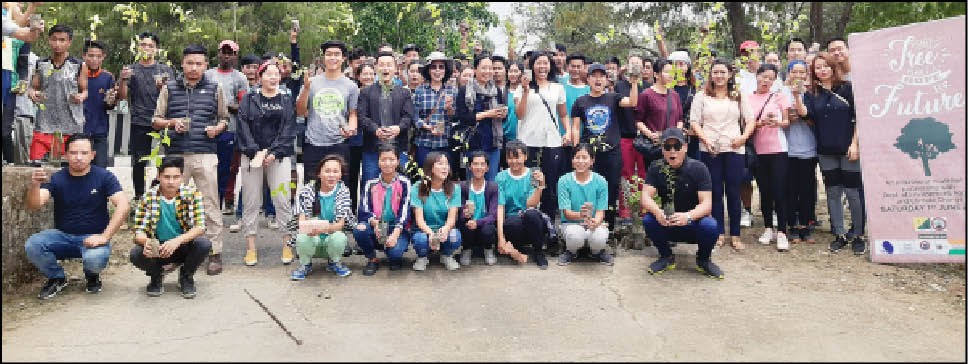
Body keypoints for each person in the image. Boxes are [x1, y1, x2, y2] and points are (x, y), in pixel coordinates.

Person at [152, 44, 230, 275]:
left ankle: (215, 252)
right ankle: (176, 252)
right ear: (182, 64)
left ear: (206, 65)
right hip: (175, 155)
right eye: (189, 63)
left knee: (209, 204)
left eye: (199, 63)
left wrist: (217, 129)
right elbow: (156, 119)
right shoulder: (170, 88)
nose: (194, 68)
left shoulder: (215, 88)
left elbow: (225, 118)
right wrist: (171, 123)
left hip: (205, 153)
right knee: (174, 205)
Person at [25, 134, 129, 299]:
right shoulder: (57, 178)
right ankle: (57, 278)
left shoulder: (104, 176)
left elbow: (123, 206)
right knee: (33, 245)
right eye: (73, 153)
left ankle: (92, 275)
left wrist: (104, 236)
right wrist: (35, 185)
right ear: (65, 155)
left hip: (93, 238)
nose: (78, 157)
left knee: (95, 259)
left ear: (92, 155)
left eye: (84, 153)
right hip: (63, 237)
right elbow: (35, 204)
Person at [792, 52, 865, 255]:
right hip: (825, 151)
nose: (822, 70)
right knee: (833, 192)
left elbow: (859, 117)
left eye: (825, 66)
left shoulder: (848, 88)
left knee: (852, 192)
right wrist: (797, 96)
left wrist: (855, 144)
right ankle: (839, 234)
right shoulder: (812, 93)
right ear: (813, 72)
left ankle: (858, 234)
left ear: (833, 67)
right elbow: (805, 113)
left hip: (848, 149)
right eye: (818, 68)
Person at [235, 60, 297, 266]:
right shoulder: (249, 99)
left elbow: (289, 128)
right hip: (252, 157)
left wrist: (273, 152)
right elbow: (242, 126)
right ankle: (251, 248)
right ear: (260, 76)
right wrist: (255, 152)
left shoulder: (286, 99)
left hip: (278, 157)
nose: (273, 77)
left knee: (282, 199)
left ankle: (288, 244)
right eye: (268, 73)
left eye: (276, 74)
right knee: (251, 201)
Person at [689, 59, 754, 251]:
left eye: (722, 72)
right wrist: (705, 140)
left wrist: (743, 138)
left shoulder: (738, 95)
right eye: (715, 72)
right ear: (710, 75)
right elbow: (694, 122)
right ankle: (718, 233)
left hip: (734, 149)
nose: (719, 76)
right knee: (715, 191)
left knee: (733, 191)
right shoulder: (702, 96)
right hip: (710, 150)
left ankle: (735, 234)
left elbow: (750, 120)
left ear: (729, 75)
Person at [642, 129, 722, 279]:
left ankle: (703, 260)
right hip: (668, 222)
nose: (672, 151)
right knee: (648, 220)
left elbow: (707, 204)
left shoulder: (699, 168)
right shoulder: (656, 167)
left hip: (693, 223)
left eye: (677, 146)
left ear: (685, 147)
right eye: (667, 147)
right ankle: (666, 256)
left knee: (710, 226)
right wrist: (658, 212)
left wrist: (688, 216)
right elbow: (645, 196)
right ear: (662, 149)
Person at [129, 157, 211, 298]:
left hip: (182, 244)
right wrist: (146, 242)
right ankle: (156, 275)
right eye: (167, 177)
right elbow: (139, 232)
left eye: (176, 177)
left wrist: (177, 241)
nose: (171, 182)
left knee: (203, 244)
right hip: (158, 248)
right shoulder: (148, 197)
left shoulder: (192, 194)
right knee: (136, 254)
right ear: (159, 176)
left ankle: (186, 276)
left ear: (181, 177)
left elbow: (200, 227)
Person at [571, 63, 639, 229]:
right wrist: (576, 149)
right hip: (590, 153)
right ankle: (586, 223)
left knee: (611, 188)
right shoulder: (580, 102)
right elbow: (575, 127)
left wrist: (635, 81)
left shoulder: (613, 98)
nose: (598, 79)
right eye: (594, 76)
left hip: (612, 151)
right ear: (588, 79)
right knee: (588, 187)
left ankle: (607, 226)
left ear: (607, 80)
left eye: (601, 76)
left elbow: (632, 102)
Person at [515, 51, 570, 221]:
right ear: (531, 66)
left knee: (550, 184)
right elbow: (520, 114)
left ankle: (549, 225)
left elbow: (562, 114)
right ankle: (531, 222)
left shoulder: (558, 87)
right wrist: (525, 90)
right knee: (532, 184)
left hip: (551, 142)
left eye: (545, 63)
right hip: (528, 142)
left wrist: (567, 131)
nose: (542, 66)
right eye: (538, 63)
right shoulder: (521, 88)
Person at [118, 32, 174, 199]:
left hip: (162, 120)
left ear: (156, 49)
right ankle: (139, 196)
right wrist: (122, 79)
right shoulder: (131, 69)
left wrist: (163, 87)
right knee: (139, 161)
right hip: (139, 120)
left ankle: (160, 190)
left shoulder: (165, 70)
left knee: (165, 158)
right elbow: (122, 95)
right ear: (138, 47)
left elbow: (174, 94)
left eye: (150, 45)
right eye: (143, 45)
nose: (147, 48)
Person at [295, 40, 359, 184]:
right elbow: (300, 111)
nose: (333, 58)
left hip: (339, 144)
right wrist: (305, 89)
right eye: (329, 54)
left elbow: (353, 113)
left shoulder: (351, 86)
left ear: (343, 58)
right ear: (323, 58)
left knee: (339, 189)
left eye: (337, 54)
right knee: (312, 189)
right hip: (313, 143)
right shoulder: (311, 82)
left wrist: (351, 128)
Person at [747, 63, 792, 251]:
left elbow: (787, 122)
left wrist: (777, 123)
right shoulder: (747, 98)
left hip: (778, 150)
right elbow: (746, 124)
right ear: (757, 76)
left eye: (771, 78)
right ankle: (768, 228)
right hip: (758, 150)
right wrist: (759, 124)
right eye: (763, 76)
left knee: (779, 190)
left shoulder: (779, 97)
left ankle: (782, 231)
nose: (766, 81)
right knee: (764, 191)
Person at [28, 24, 88, 161]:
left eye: (62, 40)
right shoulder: (41, 63)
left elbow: (85, 90)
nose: (57, 44)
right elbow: (34, 87)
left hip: (70, 125)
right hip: (44, 124)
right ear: (49, 40)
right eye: (54, 39)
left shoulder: (78, 65)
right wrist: (32, 93)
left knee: (69, 170)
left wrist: (80, 97)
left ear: (69, 42)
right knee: (36, 164)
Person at [291, 154, 355, 280]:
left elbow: (340, 224)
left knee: (339, 237)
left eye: (335, 171)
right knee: (301, 237)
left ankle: (334, 262)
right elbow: (301, 222)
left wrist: (322, 229)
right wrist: (311, 229)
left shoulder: (343, 191)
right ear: (319, 173)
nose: (331, 175)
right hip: (311, 238)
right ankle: (305, 265)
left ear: (340, 174)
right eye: (327, 171)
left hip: (330, 239)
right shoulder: (307, 191)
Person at [354, 144, 414, 275]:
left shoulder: (405, 183)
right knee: (359, 230)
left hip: (396, 227)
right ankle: (372, 258)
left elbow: (405, 210)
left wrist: (396, 233)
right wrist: (374, 222)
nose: (387, 163)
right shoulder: (371, 183)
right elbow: (364, 208)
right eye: (383, 159)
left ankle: (394, 257)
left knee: (395, 253)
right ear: (378, 162)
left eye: (391, 159)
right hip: (376, 225)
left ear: (398, 161)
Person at [205, 40, 248, 216]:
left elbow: (244, 105)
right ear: (218, 53)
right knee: (207, 169)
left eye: (230, 53)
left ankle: (225, 200)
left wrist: (226, 106)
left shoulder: (239, 78)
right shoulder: (207, 75)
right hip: (207, 127)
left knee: (227, 168)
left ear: (235, 56)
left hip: (230, 129)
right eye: (224, 52)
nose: (226, 55)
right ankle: (210, 205)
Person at [357, 50, 413, 185]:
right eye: (381, 65)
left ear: (395, 68)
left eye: (389, 65)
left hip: (398, 148)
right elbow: (362, 117)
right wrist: (375, 129)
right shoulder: (366, 92)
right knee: (370, 185)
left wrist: (398, 128)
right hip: (372, 149)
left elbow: (409, 117)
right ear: (376, 68)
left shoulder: (404, 93)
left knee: (400, 186)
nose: (385, 68)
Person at [556, 143, 614, 265]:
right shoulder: (564, 181)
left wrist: (595, 222)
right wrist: (581, 215)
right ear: (572, 160)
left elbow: (600, 211)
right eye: (577, 157)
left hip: (593, 223)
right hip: (571, 223)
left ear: (592, 161)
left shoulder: (601, 181)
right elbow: (566, 213)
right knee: (575, 235)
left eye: (584, 157)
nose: (580, 161)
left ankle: (596, 252)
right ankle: (571, 252)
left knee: (599, 237)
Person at [495, 140, 550, 268]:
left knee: (532, 214)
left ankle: (538, 251)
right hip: (512, 223)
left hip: (531, 220)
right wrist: (500, 237)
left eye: (517, 157)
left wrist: (540, 186)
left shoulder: (533, 174)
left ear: (525, 156)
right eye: (510, 157)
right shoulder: (501, 177)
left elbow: (531, 204)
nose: (514, 161)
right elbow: (500, 207)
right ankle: (515, 248)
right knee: (512, 223)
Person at [780, 60, 818, 244]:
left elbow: (813, 118)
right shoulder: (781, 92)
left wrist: (803, 114)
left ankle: (806, 224)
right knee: (790, 189)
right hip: (787, 147)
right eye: (794, 71)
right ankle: (793, 225)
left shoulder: (813, 92)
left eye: (802, 72)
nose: (798, 75)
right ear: (788, 73)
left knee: (807, 188)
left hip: (809, 148)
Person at [410, 151, 463, 271]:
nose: (445, 167)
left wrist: (444, 229)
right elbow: (419, 219)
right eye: (440, 164)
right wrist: (431, 234)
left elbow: (452, 218)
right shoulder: (418, 187)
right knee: (420, 240)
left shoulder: (455, 188)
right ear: (430, 168)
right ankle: (422, 257)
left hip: (443, 229)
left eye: (446, 164)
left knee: (455, 236)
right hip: (423, 230)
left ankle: (446, 255)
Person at [456, 55, 506, 180]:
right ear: (475, 69)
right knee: (472, 182)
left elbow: (500, 117)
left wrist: (502, 114)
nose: (488, 71)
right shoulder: (465, 90)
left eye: (490, 68)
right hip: (472, 143)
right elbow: (463, 117)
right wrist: (488, 114)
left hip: (493, 143)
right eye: (484, 68)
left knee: (491, 181)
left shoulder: (496, 90)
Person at [615, 55, 650, 221]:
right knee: (626, 173)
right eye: (632, 63)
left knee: (644, 174)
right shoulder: (620, 86)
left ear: (644, 67)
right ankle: (625, 211)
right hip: (625, 135)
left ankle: (644, 208)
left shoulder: (649, 87)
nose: (635, 66)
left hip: (645, 138)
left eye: (639, 64)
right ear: (627, 66)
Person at [413, 51, 457, 168]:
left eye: (441, 67)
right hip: (424, 142)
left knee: (443, 177)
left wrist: (449, 109)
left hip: (445, 142)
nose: (437, 71)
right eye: (434, 67)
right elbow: (414, 116)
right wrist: (426, 126)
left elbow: (456, 118)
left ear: (445, 70)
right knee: (425, 178)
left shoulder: (452, 91)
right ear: (428, 70)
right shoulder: (420, 91)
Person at [458, 151, 499, 266]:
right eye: (475, 164)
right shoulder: (462, 186)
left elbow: (493, 215)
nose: (479, 167)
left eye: (482, 164)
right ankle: (467, 249)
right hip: (468, 226)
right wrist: (464, 214)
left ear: (487, 167)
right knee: (464, 225)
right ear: (470, 166)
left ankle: (488, 249)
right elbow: (458, 210)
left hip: (484, 225)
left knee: (488, 229)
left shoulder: (492, 187)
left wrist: (478, 222)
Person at [81, 40, 116, 168]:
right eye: (91, 56)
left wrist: (112, 100)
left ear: (103, 57)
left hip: (100, 130)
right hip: (80, 130)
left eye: (98, 56)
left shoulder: (108, 77)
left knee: (101, 168)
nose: (94, 59)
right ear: (84, 56)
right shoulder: (76, 75)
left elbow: (110, 105)